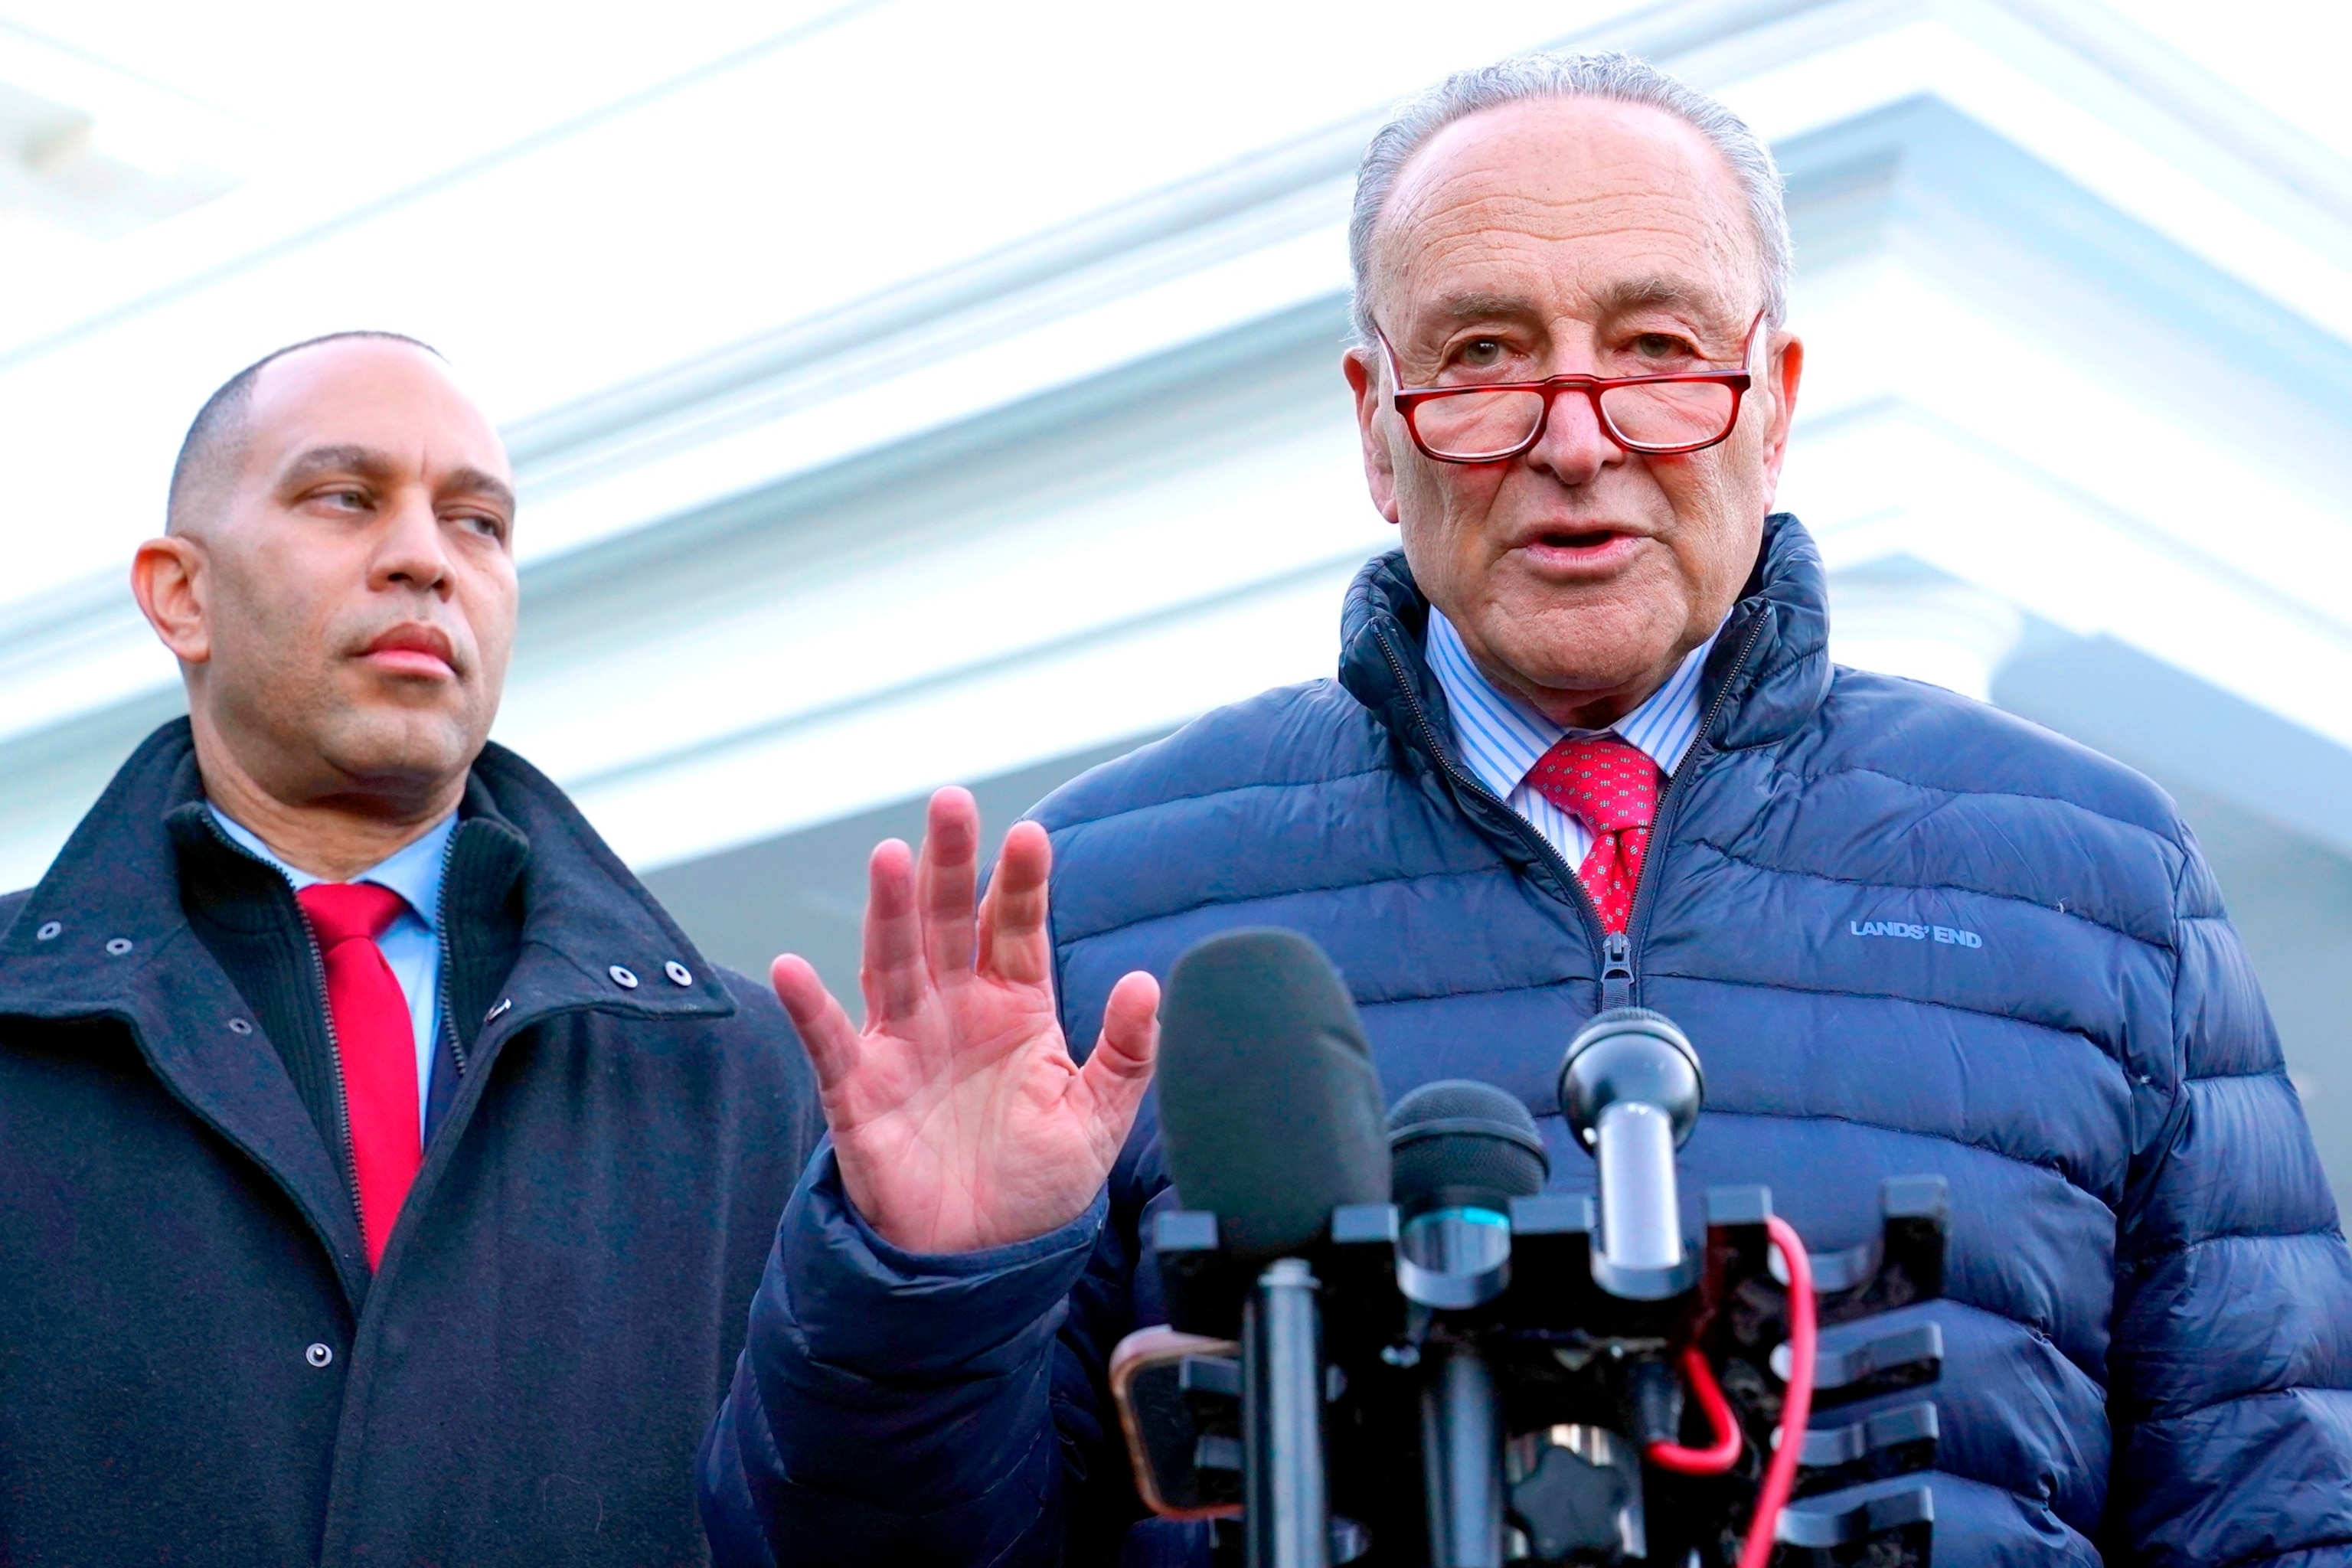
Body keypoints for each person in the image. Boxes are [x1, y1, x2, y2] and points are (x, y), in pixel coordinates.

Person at [698, 49, 2352, 1568]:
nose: (1576, 437)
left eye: (1655, 350)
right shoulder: (1108, 916)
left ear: (1772, 399)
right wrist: (925, 1290)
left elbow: (2283, 1510)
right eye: (1484, 356)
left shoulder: (2099, 879)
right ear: (1374, 423)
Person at [0, 332, 823, 1566]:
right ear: (182, 594)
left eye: (478, 523)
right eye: (345, 498)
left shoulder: (744, 1072)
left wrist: (962, 1274)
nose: (425, 559)